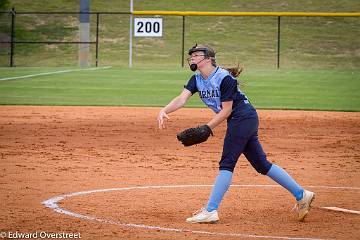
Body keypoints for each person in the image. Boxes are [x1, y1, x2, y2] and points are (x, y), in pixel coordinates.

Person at [157, 44, 315, 223]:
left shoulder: (225, 78)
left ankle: (211, 210)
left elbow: (226, 110)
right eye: (191, 55)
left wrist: (207, 128)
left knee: (227, 163)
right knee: (261, 164)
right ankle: (301, 194)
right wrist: (165, 110)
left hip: (243, 117)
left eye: (196, 54)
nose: (192, 57)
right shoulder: (196, 79)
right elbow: (182, 98)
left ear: (207, 58)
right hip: (241, 120)